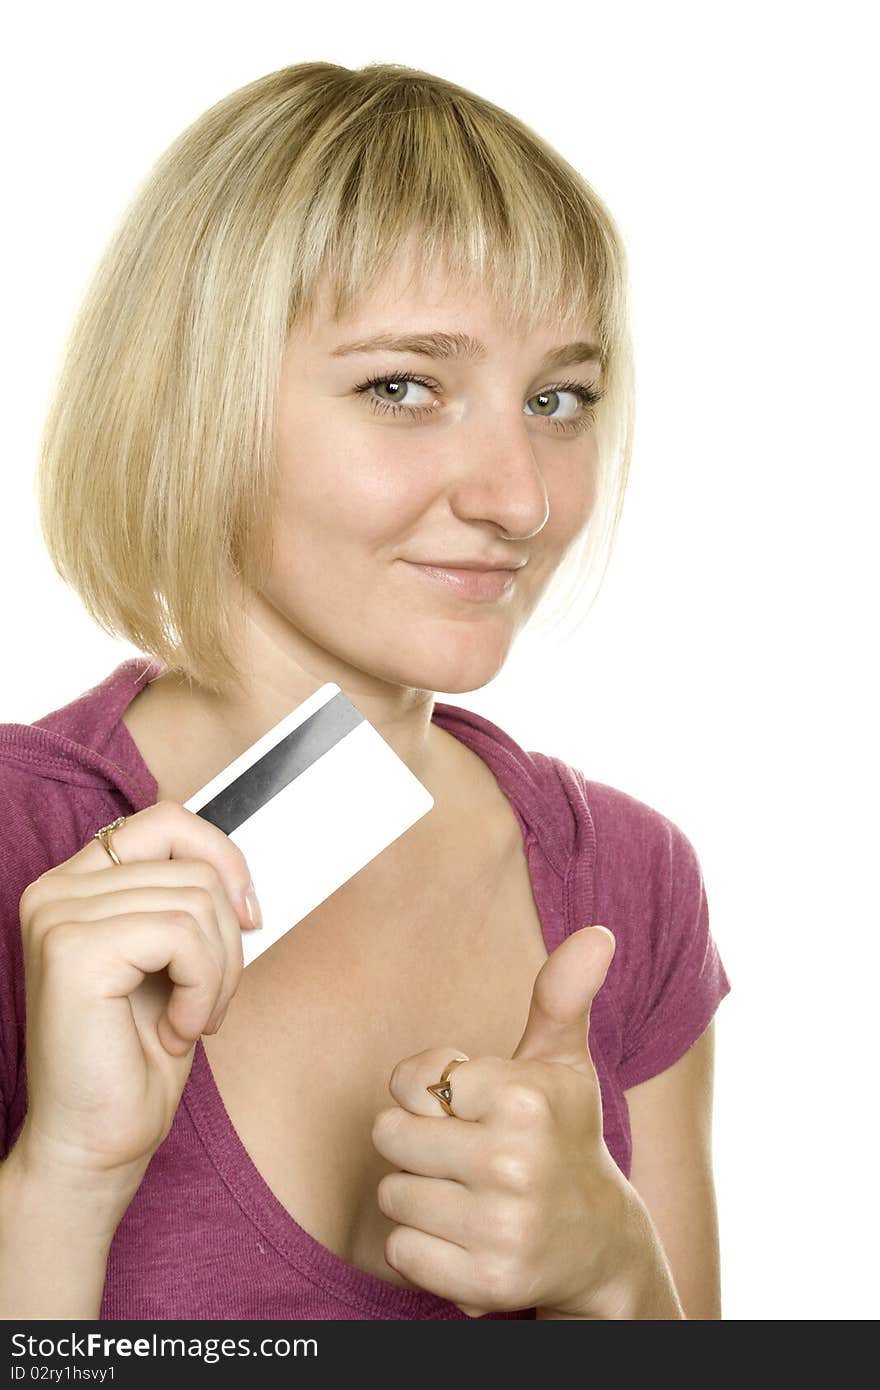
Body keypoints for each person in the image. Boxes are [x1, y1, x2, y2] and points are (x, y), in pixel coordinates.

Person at [0, 60, 731, 1321]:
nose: (520, 497)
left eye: (559, 399)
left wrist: (617, 1280)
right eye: (404, 387)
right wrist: (63, 1179)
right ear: (196, 403)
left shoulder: (627, 880)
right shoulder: (17, 843)